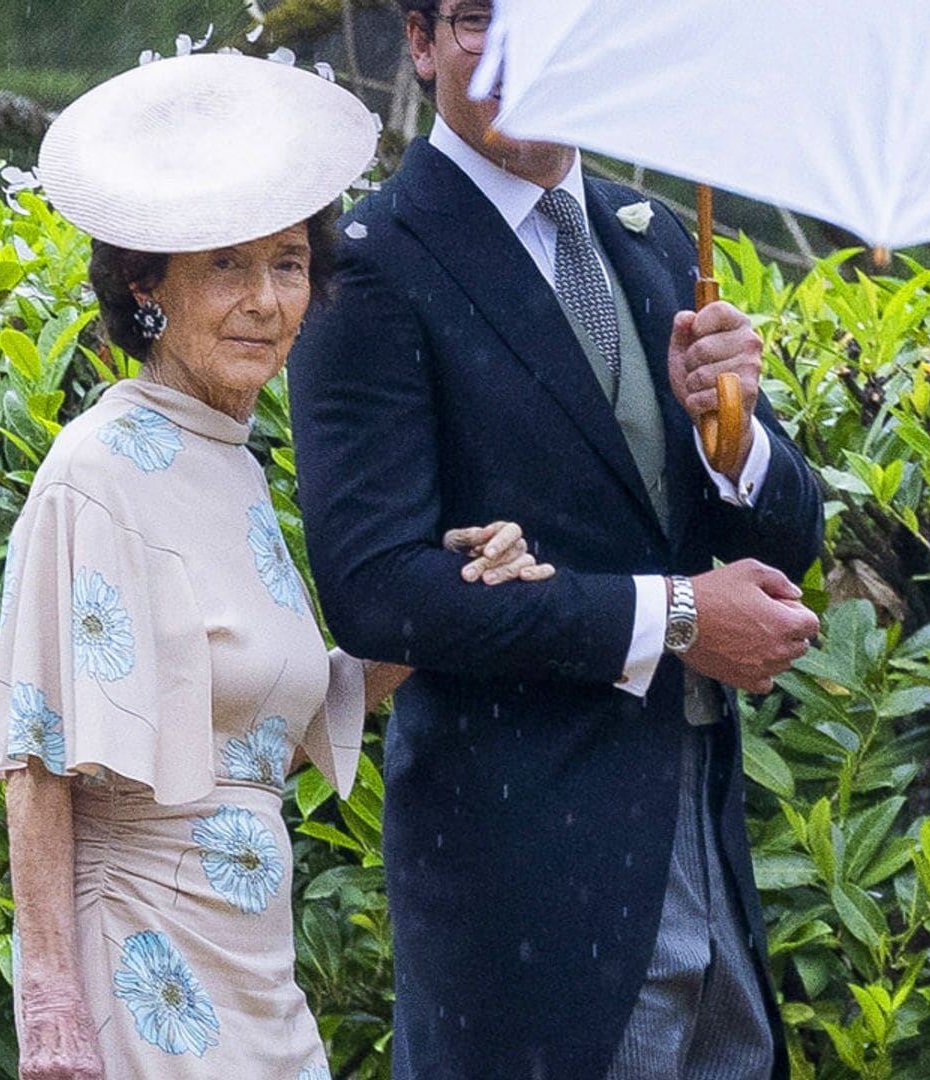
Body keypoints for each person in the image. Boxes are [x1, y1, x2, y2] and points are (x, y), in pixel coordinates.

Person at [0, 53, 553, 1080]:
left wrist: (457, 588)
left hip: (256, 980)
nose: (264, 300)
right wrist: (51, 1007)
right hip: (138, 958)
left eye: (287, 264)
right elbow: (38, 752)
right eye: (225, 266)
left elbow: (260, 737)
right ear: (147, 285)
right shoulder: (98, 467)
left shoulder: (233, 464)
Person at [288, 3, 824, 1078]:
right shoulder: (368, 267)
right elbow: (379, 590)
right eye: (487, 19)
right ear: (422, 40)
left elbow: (789, 532)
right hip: (518, 878)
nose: (529, 49)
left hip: (706, 849)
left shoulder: (662, 239)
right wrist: (674, 617)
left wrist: (737, 439)